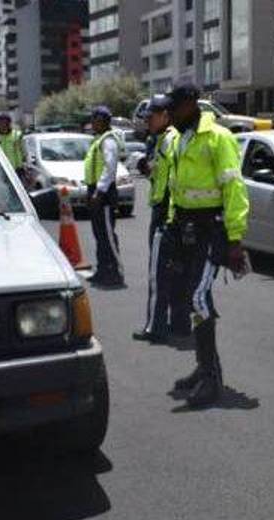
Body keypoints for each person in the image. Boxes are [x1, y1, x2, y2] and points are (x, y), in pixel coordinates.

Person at [165, 84, 250, 407]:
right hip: (185, 228)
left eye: (174, 107)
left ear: (190, 105)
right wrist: (173, 224)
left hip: (211, 230)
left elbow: (233, 188)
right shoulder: (178, 138)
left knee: (197, 297)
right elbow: (177, 187)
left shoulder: (218, 137)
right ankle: (203, 369)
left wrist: (235, 239)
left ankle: (212, 380)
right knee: (187, 294)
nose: (169, 114)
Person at [133, 94, 189, 343]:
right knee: (176, 272)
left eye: (151, 117)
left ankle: (155, 327)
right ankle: (179, 323)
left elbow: (173, 181)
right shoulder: (168, 139)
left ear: (165, 116)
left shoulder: (168, 140)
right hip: (173, 213)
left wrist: (167, 217)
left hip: (165, 214)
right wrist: (149, 170)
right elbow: (164, 175)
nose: (147, 122)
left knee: (158, 273)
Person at [83, 105, 126, 288]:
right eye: (93, 120)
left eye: (96, 120)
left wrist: (99, 191)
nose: (93, 123)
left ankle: (115, 273)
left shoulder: (108, 141)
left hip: (104, 193)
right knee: (99, 235)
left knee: (107, 235)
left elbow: (110, 168)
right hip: (95, 190)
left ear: (104, 122)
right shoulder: (98, 139)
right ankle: (102, 270)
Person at [0, 113, 25, 182]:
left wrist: (23, 167)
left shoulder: (17, 135)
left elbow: (24, 152)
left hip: (16, 170)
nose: (2, 124)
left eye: (4, 122)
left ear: (8, 123)